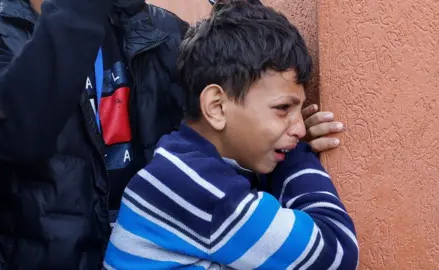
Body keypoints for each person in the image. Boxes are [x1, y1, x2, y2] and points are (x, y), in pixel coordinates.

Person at [0, 0, 343, 269]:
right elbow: (22, 132)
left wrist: (285, 135)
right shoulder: (3, 33)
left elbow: (232, 113)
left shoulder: (156, 29)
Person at [104, 1, 358, 269]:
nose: (300, 129)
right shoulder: (199, 188)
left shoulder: (182, 165)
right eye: (283, 108)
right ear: (216, 107)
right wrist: (295, 155)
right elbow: (336, 253)